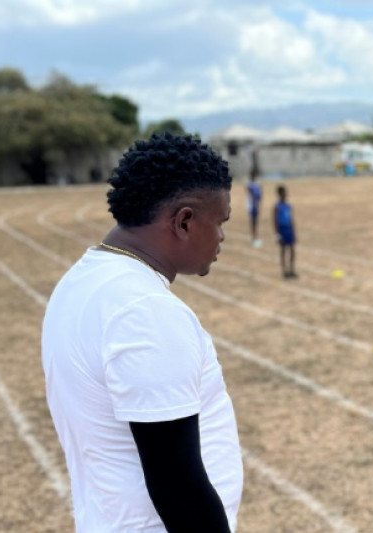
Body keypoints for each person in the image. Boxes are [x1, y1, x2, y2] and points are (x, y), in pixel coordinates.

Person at [41, 133, 243, 532]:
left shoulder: (85, 279)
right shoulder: (144, 311)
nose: (221, 238)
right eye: (219, 223)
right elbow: (178, 488)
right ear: (184, 221)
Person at [274, 185, 297, 279]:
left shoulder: (288, 205)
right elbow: (275, 220)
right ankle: (284, 271)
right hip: (282, 229)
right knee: (283, 250)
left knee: (292, 249)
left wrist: (294, 231)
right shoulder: (277, 206)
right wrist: (277, 234)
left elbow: (291, 219)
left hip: (289, 229)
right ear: (279, 194)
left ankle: (292, 269)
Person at [245, 170, 262, 247]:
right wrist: (256, 204)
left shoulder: (257, 184)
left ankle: (256, 237)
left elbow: (260, 195)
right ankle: (253, 238)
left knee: (256, 222)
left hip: (256, 205)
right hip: (252, 206)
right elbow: (253, 195)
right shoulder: (249, 185)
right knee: (253, 222)